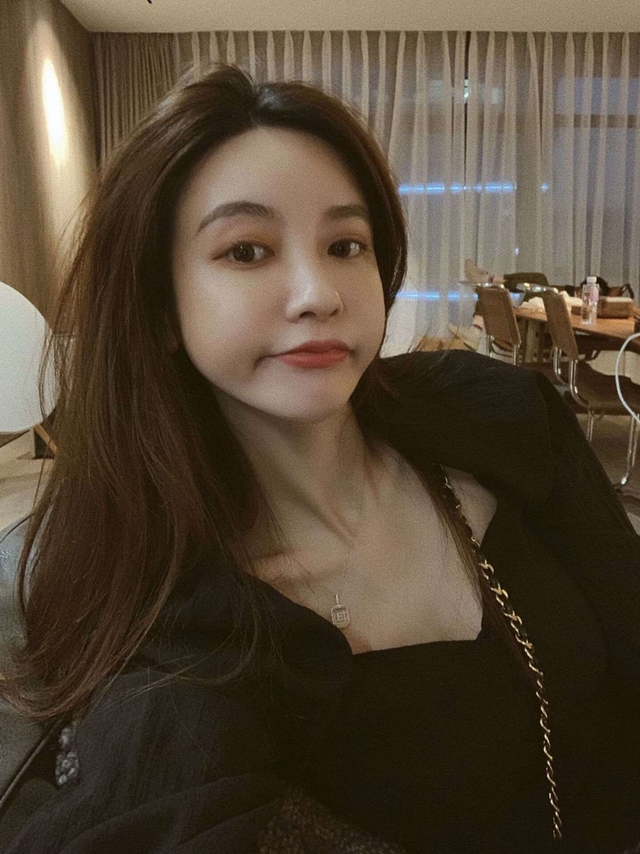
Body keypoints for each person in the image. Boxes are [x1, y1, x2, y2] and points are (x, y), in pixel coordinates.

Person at [1, 64, 640, 854]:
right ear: (162, 308)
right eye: (246, 251)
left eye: (345, 245)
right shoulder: (182, 626)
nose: (318, 294)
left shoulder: (502, 419)